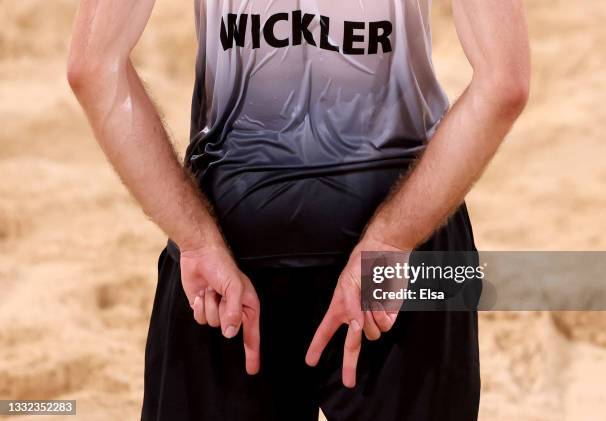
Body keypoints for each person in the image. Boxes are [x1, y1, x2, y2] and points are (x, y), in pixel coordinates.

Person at [68, 0, 529, 420]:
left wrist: (195, 239)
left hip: (233, 232)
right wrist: (392, 239)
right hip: (404, 237)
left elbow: (92, 68)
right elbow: (504, 84)